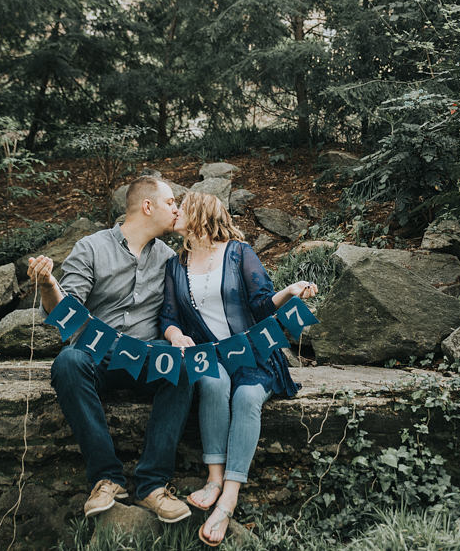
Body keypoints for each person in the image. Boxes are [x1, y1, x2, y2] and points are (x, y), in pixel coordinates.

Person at [26, 176, 195, 523]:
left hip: (146, 355)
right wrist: (47, 284)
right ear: (147, 207)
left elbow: (174, 314)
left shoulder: (169, 259)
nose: (176, 209)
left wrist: (176, 336)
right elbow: (64, 312)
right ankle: (107, 478)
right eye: (170, 202)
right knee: (68, 362)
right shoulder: (90, 248)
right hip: (96, 356)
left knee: (182, 365)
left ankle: (152, 486)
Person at [160, 192, 317, 546]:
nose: (175, 212)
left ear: (199, 214)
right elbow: (168, 317)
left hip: (254, 355)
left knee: (246, 397)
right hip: (211, 356)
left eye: (182, 208)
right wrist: (176, 336)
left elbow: (262, 306)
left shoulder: (238, 253)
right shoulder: (175, 264)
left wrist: (290, 291)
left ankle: (229, 496)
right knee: (213, 385)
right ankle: (213, 478)